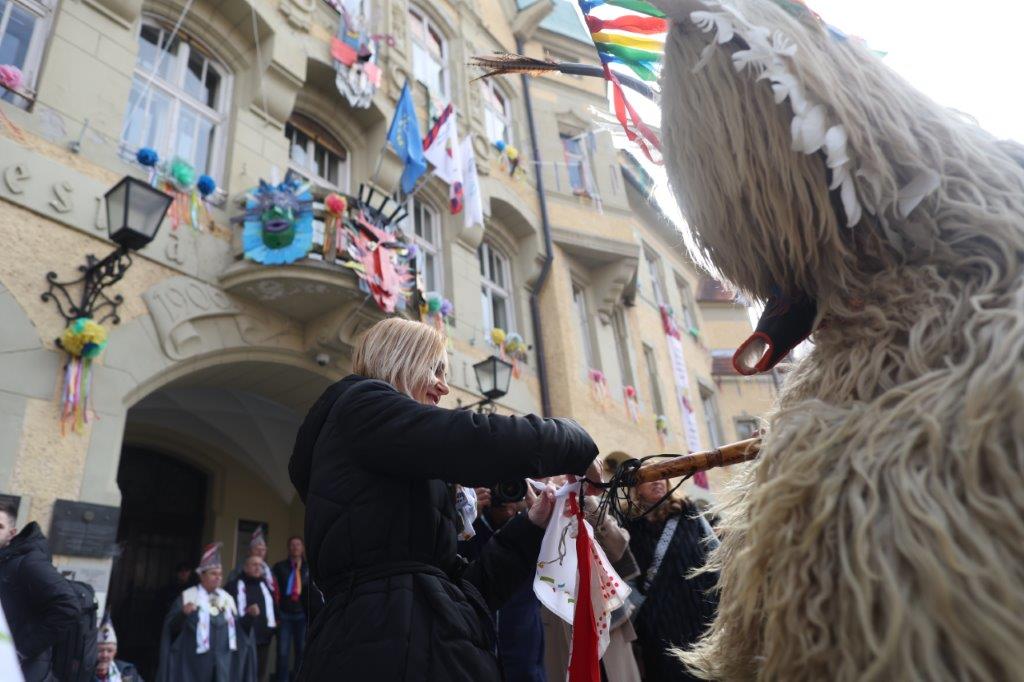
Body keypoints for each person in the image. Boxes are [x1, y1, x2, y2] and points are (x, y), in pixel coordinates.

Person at [288, 317, 598, 681]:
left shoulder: (392, 454)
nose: (444, 387)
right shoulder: (361, 405)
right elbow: (473, 440)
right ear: (401, 359)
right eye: (435, 369)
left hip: (414, 644)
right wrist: (572, 440)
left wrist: (530, 526)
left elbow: (462, 591)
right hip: (385, 648)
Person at [540, 459, 643, 682]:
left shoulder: (591, 501)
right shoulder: (535, 501)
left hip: (606, 619)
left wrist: (586, 500)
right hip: (560, 622)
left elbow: (618, 548)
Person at [626, 480, 718, 682]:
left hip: (704, 615)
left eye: (663, 476)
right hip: (661, 627)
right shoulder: (628, 525)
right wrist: (642, 613)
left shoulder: (688, 511)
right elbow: (626, 577)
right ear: (637, 488)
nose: (658, 481)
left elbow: (716, 552)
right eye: (650, 477)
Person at [459, 489, 546, 682]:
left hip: (525, 655)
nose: (506, 495)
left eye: (512, 486)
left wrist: (540, 515)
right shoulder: (469, 527)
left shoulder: (534, 526)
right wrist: (466, 518)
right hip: (473, 657)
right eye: (498, 488)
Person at [0, 503, 80, 682]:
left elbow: (68, 606)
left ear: (11, 534)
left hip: (23, 672)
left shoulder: (28, 562)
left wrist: (22, 650)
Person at [156, 542, 256, 682]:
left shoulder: (227, 599)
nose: (218, 577)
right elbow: (172, 631)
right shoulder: (187, 597)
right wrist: (183, 614)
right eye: (213, 573)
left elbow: (240, 631)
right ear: (201, 576)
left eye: (220, 574)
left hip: (222, 666)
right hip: (193, 667)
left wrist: (249, 617)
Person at [228, 556, 276, 682]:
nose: (257, 567)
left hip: (263, 639)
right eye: (254, 564)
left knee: (260, 674)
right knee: (241, 673)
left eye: (260, 565)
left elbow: (273, 608)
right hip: (241, 639)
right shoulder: (233, 586)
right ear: (245, 567)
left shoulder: (266, 585)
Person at [270, 537, 308, 682]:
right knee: (283, 653)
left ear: (303, 548)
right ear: (288, 548)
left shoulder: (308, 569)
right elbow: (273, 591)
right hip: (284, 615)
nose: (295, 547)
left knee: (301, 652)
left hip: (302, 616)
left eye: (298, 544)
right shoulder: (279, 567)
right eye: (292, 545)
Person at [228, 528, 277, 601]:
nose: (260, 552)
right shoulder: (240, 568)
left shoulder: (269, 569)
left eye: (263, 550)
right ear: (249, 551)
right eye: (257, 549)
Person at [94, 612, 143, 681]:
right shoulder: (84, 673)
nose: (104, 655)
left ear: (115, 652)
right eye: (100, 650)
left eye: (109, 651)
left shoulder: (127, 671)